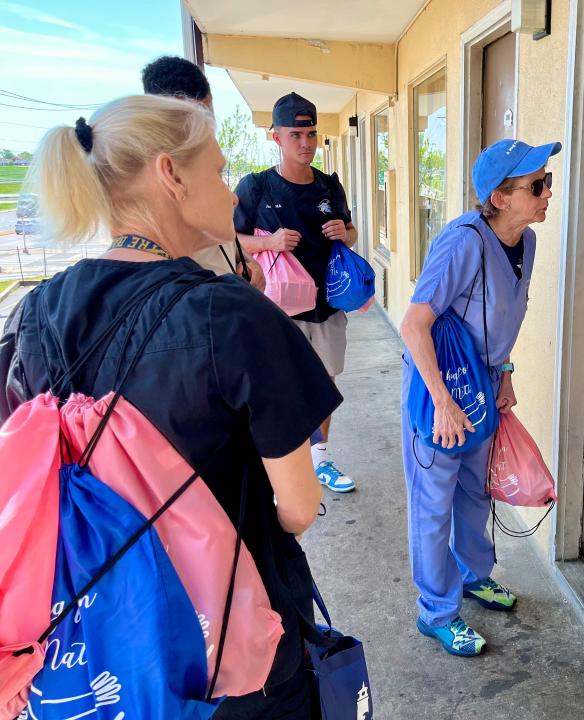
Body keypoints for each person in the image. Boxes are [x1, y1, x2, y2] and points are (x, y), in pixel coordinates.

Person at [0, 94, 340, 718]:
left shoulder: (33, 314)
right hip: (230, 643)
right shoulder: (232, 314)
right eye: (215, 169)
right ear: (170, 174)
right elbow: (298, 507)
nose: (230, 189)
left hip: (95, 643)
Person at [398, 138, 561, 656]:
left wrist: (506, 372)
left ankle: (474, 576)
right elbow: (414, 323)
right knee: (433, 501)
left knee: (474, 490)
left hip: (484, 386)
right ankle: (437, 611)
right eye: (536, 185)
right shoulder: (462, 242)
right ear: (499, 197)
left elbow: (504, 319)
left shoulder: (526, 244)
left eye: (546, 181)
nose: (547, 192)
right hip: (441, 388)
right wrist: (443, 402)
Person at [234, 92, 358, 493]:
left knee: (324, 383)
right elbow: (228, 240)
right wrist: (268, 244)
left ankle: (319, 459)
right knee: (281, 386)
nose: (306, 143)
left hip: (327, 306)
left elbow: (351, 233)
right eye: (295, 135)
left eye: (311, 134)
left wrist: (346, 234)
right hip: (278, 309)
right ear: (276, 138)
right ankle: (285, 463)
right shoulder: (256, 188)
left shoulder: (329, 185)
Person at [141, 55, 265, 291]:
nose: (204, 128)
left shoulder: (202, 161)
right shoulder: (148, 189)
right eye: (192, 118)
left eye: (208, 115)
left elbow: (222, 236)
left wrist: (243, 260)